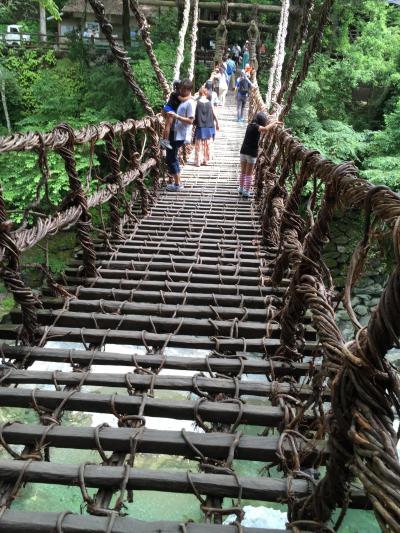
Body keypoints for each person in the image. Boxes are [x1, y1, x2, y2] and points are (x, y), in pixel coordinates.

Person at [239, 112, 280, 198]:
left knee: (243, 172)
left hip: (243, 151)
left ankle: (241, 188)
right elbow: (265, 129)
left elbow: (261, 131)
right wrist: (274, 122)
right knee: (249, 174)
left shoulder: (250, 125)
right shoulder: (256, 127)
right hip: (251, 152)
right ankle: (246, 192)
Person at [165, 79, 196, 191]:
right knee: (172, 156)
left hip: (179, 134)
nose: (181, 91)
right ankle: (178, 182)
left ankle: (177, 184)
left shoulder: (190, 102)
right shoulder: (182, 99)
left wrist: (176, 116)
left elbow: (191, 120)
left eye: (184, 89)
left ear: (189, 90)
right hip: (174, 133)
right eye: (181, 89)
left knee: (170, 157)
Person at [160, 80, 190, 150]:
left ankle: (164, 142)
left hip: (171, 110)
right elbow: (182, 100)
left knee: (168, 126)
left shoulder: (178, 93)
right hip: (169, 109)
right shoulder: (175, 93)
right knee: (168, 126)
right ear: (179, 86)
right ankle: (164, 142)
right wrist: (190, 96)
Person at [193, 86, 219, 166]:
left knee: (199, 144)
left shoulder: (196, 103)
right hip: (209, 126)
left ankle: (198, 161)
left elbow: (193, 115)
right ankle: (206, 160)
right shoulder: (209, 103)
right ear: (206, 93)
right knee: (207, 144)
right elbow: (214, 114)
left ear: (200, 94)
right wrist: (217, 123)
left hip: (200, 126)